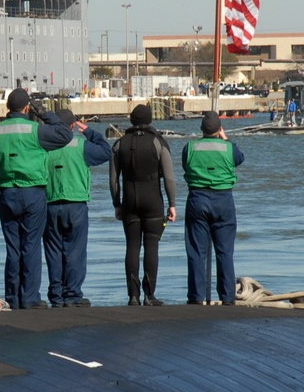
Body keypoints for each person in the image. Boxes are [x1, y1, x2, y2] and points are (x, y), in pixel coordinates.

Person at [0, 88, 73, 309]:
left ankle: (12, 299)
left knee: (13, 248)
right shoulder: (36, 130)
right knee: (30, 246)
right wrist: (45, 114)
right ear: (27, 108)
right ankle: (29, 299)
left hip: (6, 194)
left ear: (7, 108)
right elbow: (65, 134)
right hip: (33, 193)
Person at [42, 108, 112, 307]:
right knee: (75, 252)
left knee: (53, 252)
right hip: (76, 205)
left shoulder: (45, 146)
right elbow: (107, 152)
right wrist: (89, 131)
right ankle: (72, 295)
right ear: (73, 126)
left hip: (50, 204)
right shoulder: (81, 145)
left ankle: (56, 296)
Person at [109, 104, 177, 306]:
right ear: (150, 120)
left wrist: (117, 203)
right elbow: (169, 178)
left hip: (129, 199)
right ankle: (149, 295)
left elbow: (113, 179)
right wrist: (172, 203)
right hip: (152, 199)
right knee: (151, 245)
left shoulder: (119, 144)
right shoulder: (158, 142)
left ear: (131, 120)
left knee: (132, 246)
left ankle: (133, 296)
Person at [182, 111, 245, 305]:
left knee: (196, 251)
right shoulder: (228, 148)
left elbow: (186, 166)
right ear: (219, 129)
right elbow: (240, 158)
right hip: (223, 199)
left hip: (198, 198)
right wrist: (226, 138)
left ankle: (196, 296)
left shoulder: (190, 147)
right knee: (224, 251)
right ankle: (227, 297)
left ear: (201, 129)